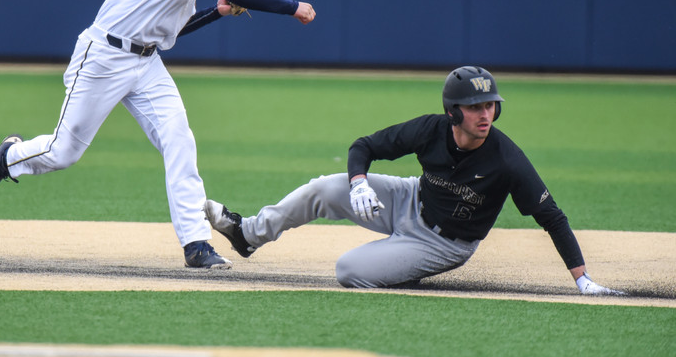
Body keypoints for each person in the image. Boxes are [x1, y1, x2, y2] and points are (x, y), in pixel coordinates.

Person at [0, 0, 317, 269]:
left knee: (179, 140)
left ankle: (196, 245)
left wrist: (217, 12)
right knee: (63, 151)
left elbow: (173, 29)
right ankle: (11, 156)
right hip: (104, 56)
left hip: (146, 61)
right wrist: (291, 7)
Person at [205, 66, 625, 294]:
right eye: (475, 107)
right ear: (453, 112)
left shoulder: (507, 159)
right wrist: (359, 182)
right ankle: (249, 235)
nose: (485, 114)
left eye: (490, 106)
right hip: (409, 199)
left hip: (444, 243)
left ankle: (400, 267)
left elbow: (552, 216)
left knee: (349, 270)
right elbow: (364, 146)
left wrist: (583, 280)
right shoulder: (431, 129)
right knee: (324, 188)